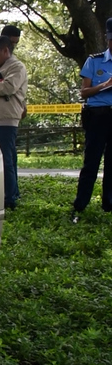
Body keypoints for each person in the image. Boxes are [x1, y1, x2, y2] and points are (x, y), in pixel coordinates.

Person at [70, 18, 112, 223]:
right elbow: (84, 92)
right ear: (107, 39)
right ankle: (80, 204)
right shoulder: (94, 61)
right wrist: (105, 85)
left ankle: (109, 204)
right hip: (98, 115)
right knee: (91, 162)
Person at [0, 35, 28, 211]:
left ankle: (9, 198)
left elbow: (7, 88)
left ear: (5, 51)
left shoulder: (16, 67)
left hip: (6, 120)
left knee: (5, 160)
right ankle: (5, 193)